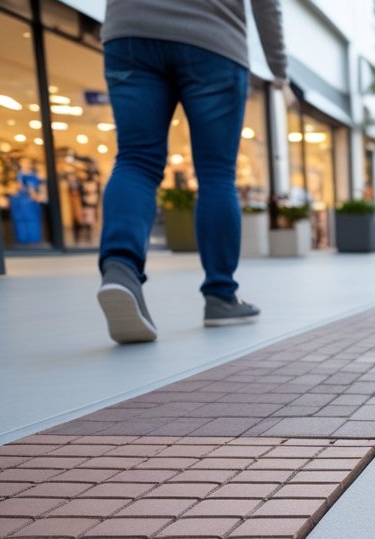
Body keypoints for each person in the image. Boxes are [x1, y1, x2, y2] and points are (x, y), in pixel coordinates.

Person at [95, 0, 287, 344]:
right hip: (212, 37)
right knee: (216, 174)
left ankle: (120, 269)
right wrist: (279, 70)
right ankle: (220, 295)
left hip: (130, 29)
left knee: (136, 160)